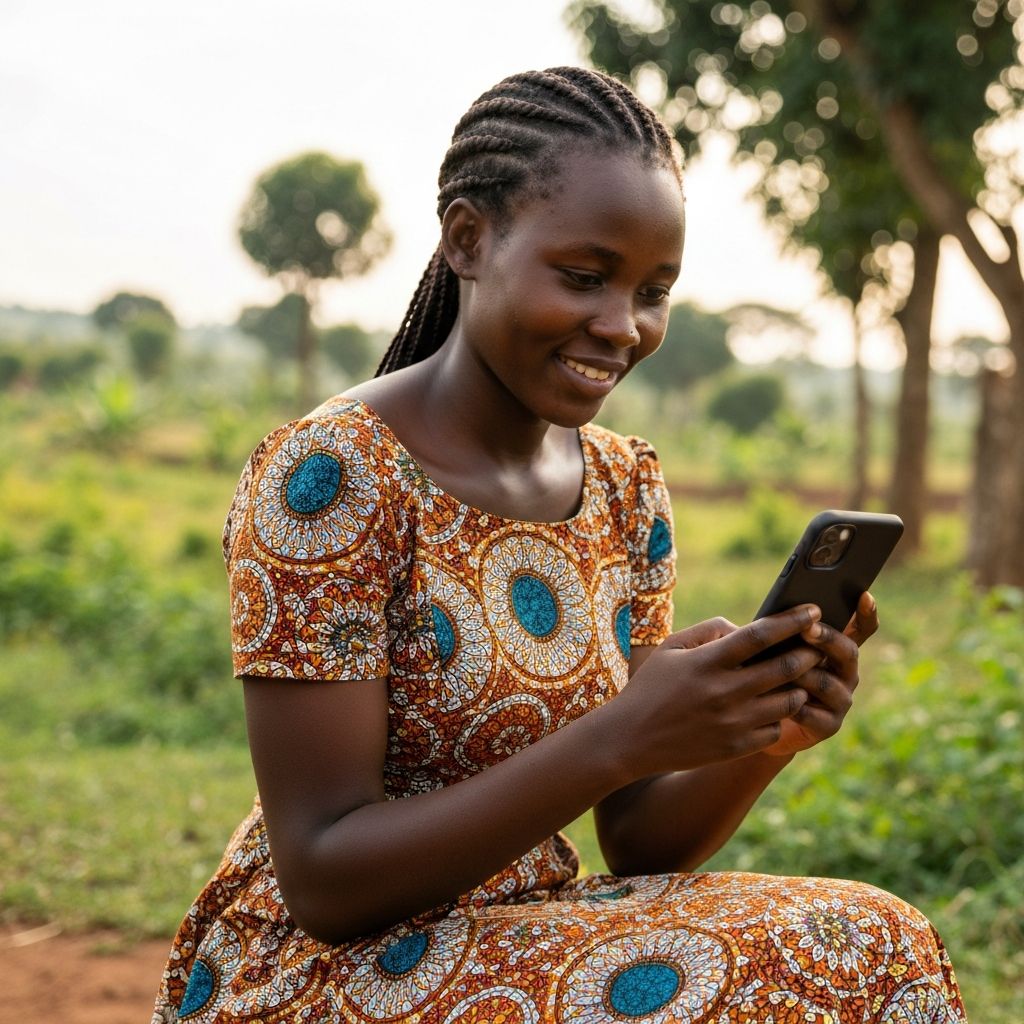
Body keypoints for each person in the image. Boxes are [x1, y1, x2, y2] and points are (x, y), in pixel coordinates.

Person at [152, 67, 966, 1023]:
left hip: (524, 935)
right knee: (830, 948)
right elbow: (325, 879)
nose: (622, 326)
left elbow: (638, 844)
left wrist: (760, 732)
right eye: (584, 278)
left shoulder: (625, 488)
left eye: (653, 291)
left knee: (871, 939)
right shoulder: (333, 476)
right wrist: (617, 736)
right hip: (321, 972)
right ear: (468, 239)